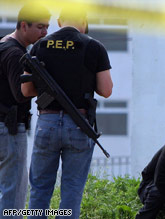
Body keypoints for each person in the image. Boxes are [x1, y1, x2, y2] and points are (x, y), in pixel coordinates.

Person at [21, 7, 113, 219]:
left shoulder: (39, 46)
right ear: (84, 20)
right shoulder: (94, 47)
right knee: (72, 190)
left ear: (60, 21)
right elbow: (106, 90)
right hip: (79, 125)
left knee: (40, 188)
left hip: (47, 122)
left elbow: (26, 90)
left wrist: (47, 88)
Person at [0, 3, 50, 217]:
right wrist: (43, 86)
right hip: (9, 129)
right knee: (14, 194)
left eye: (47, 27)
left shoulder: (3, 45)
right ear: (23, 25)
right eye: (40, 27)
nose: (44, 32)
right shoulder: (14, 53)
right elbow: (20, 94)